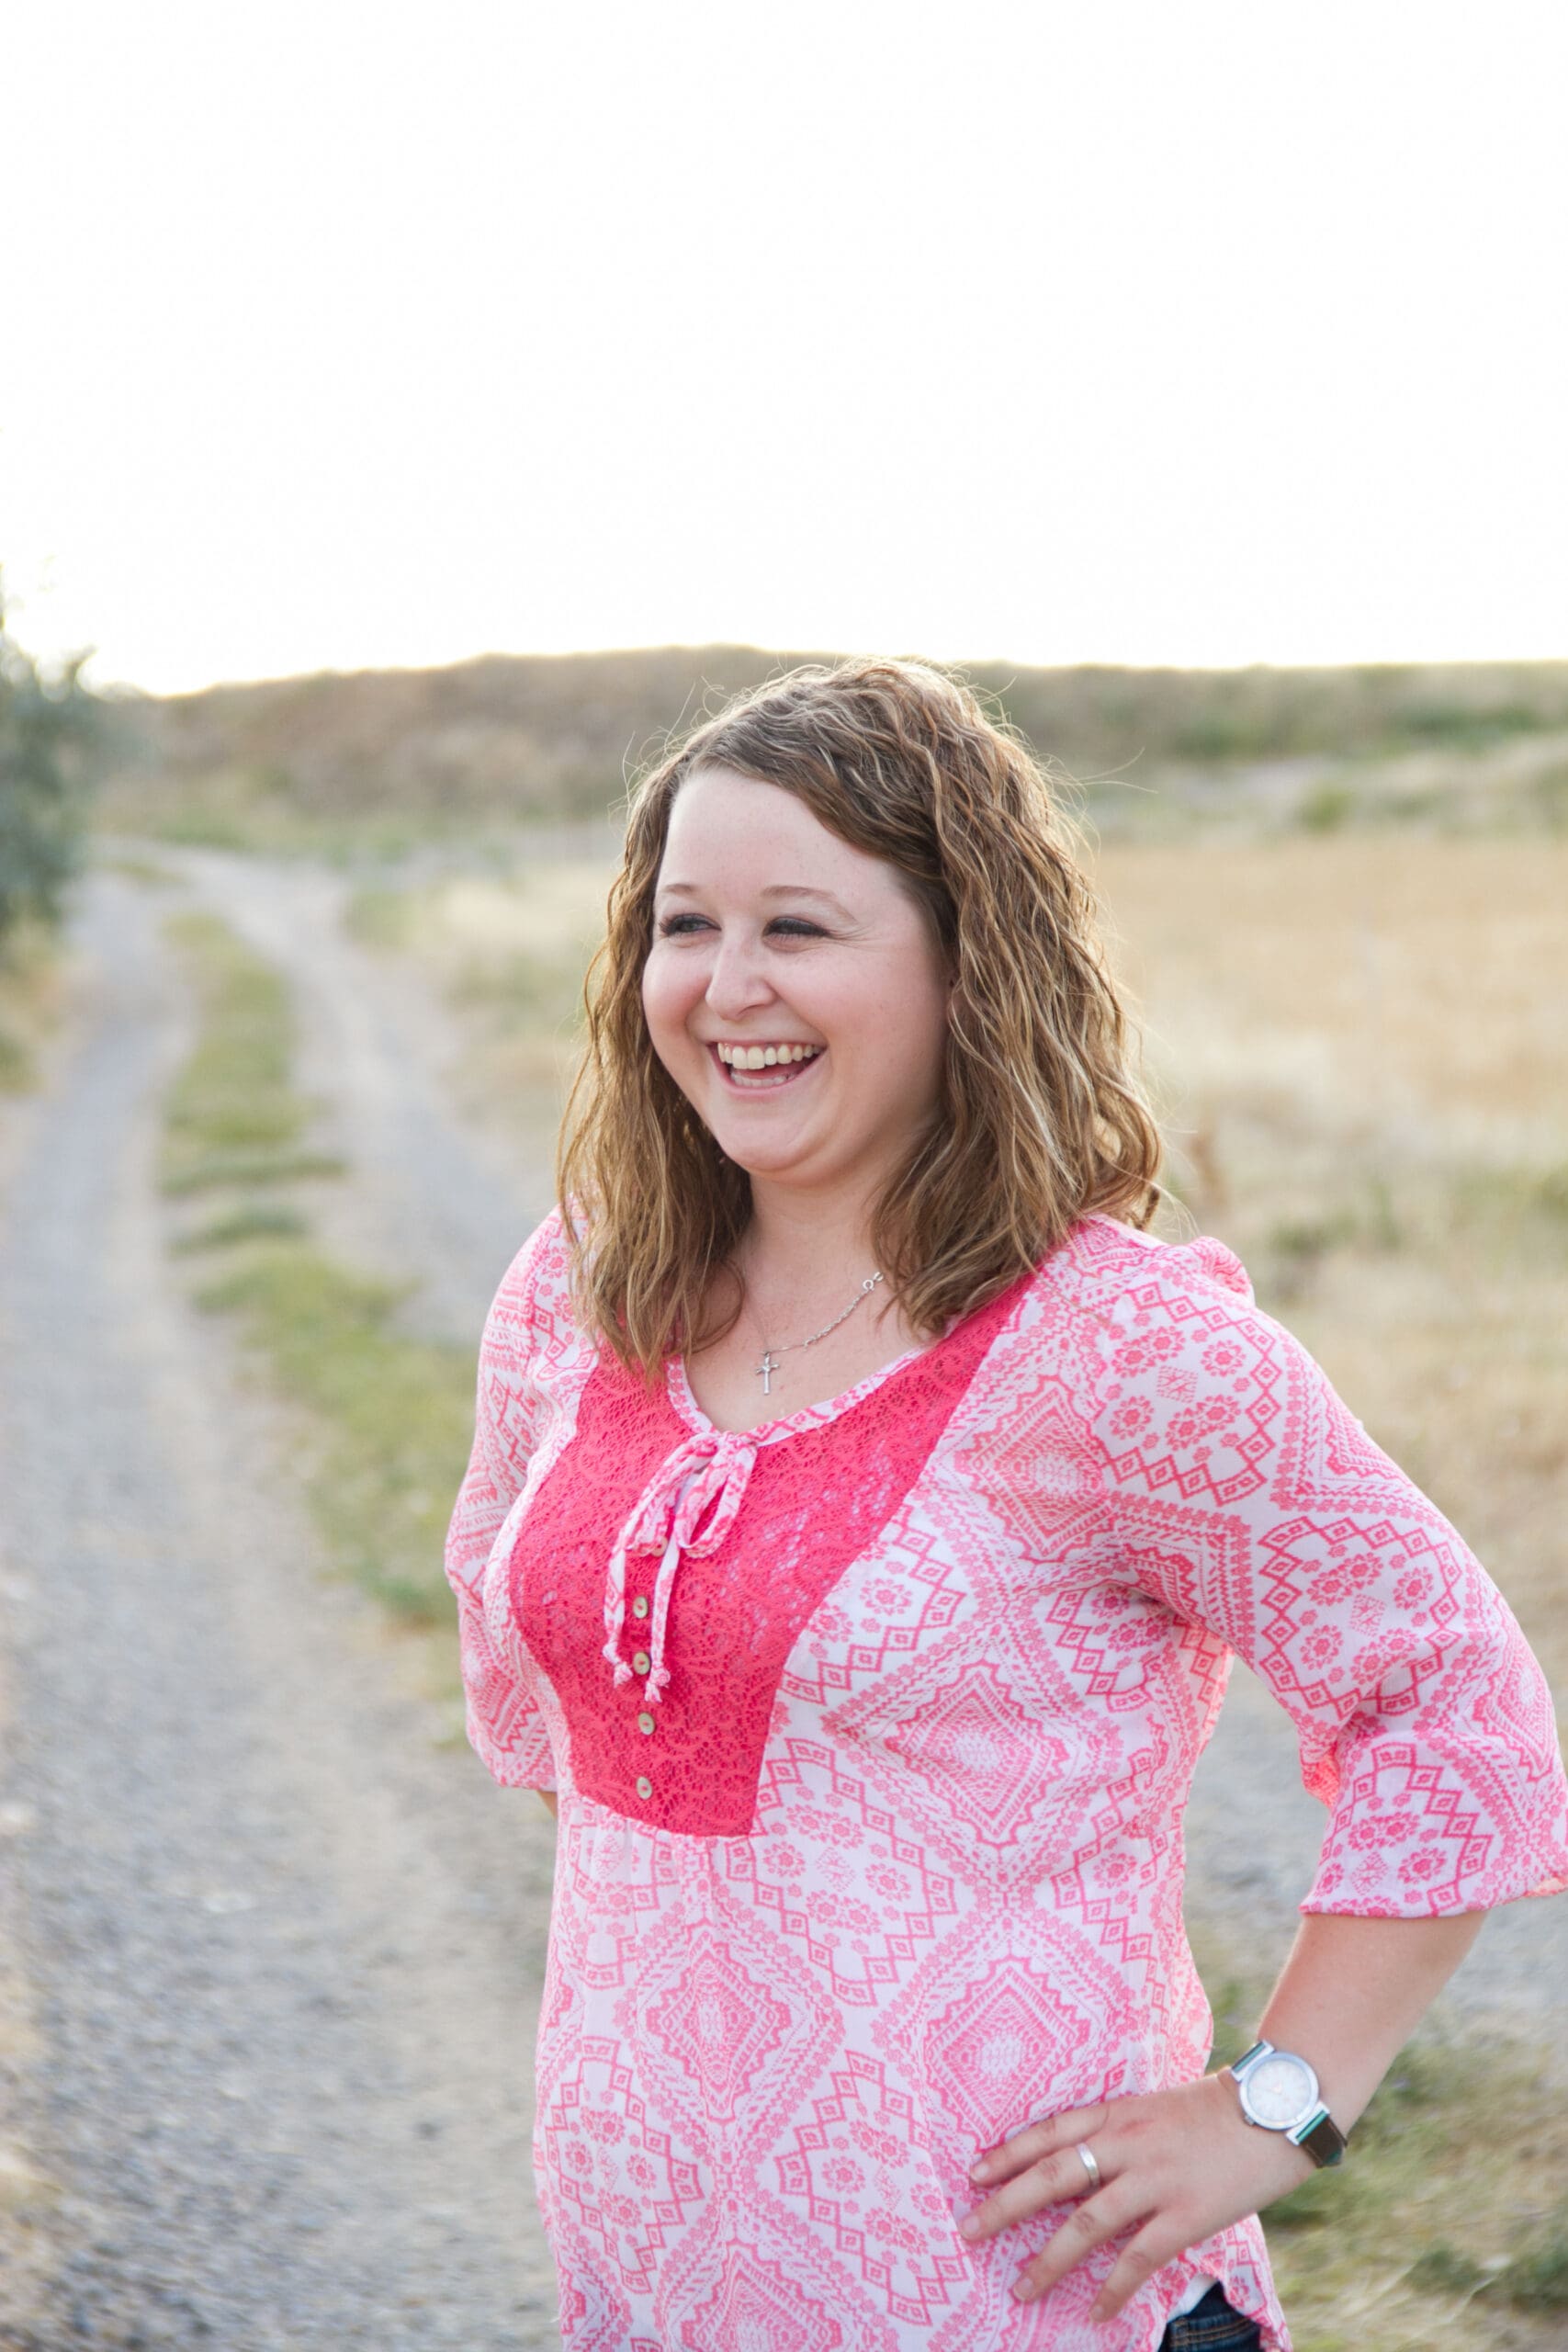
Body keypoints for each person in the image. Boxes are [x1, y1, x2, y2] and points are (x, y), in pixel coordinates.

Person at [444, 657, 1568, 2351]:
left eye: (798, 927)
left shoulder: (1120, 1350)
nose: (726, 986)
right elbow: (563, 1715)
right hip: (651, 2275)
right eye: (686, 926)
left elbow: (1454, 1711)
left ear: (968, 959)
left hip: (1022, 2297)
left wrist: (1281, 2107)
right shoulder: (583, 1287)